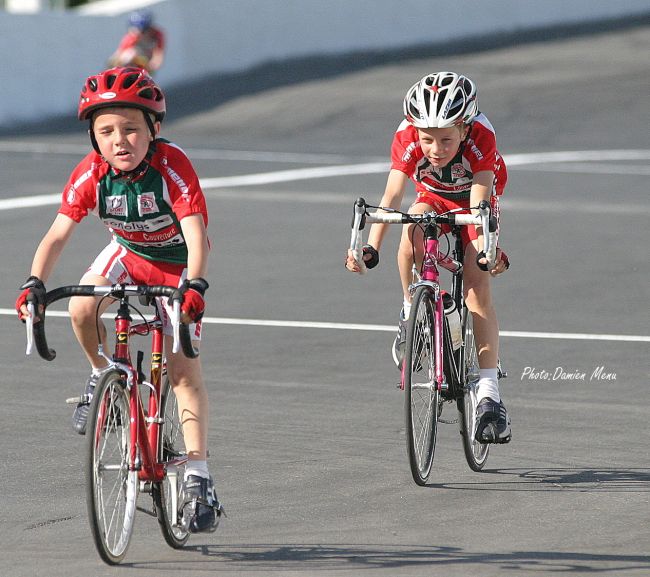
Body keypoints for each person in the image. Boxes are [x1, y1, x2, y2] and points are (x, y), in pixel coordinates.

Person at [15, 67, 222, 532]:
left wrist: (196, 286)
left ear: (154, 129)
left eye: (131, 128)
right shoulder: (91, 172)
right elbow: (57, 235)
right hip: (128, 252)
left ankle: (197, 475)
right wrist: (34, 282)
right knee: (82, 305)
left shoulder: (172, 165)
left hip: (177, 263)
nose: (119, 140)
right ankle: (100, 374)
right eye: (106, 131)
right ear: (93, 135)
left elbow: (195, 233)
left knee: (183, 371)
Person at [346, 71, 512, 444]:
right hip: (433, 194)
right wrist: (371, 247)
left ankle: (489, 394)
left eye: (446, 139)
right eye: (427, 139)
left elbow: (480, 200)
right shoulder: (407, 136)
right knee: (412, 232)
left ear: (465, 129)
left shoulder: (482, 136)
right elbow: (391, 197)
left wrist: (487, 248)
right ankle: (411, 308)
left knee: (475, 286)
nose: (435, 148)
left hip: (475, 196)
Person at [108, 9, 165, 74]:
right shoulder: (132, 36)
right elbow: (118, 55)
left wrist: (150, 67)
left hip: (146, 65)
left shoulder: (157, 35)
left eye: (143, 31)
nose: (137, 33)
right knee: (130, 53)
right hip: (130, 64)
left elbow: (158, 56)